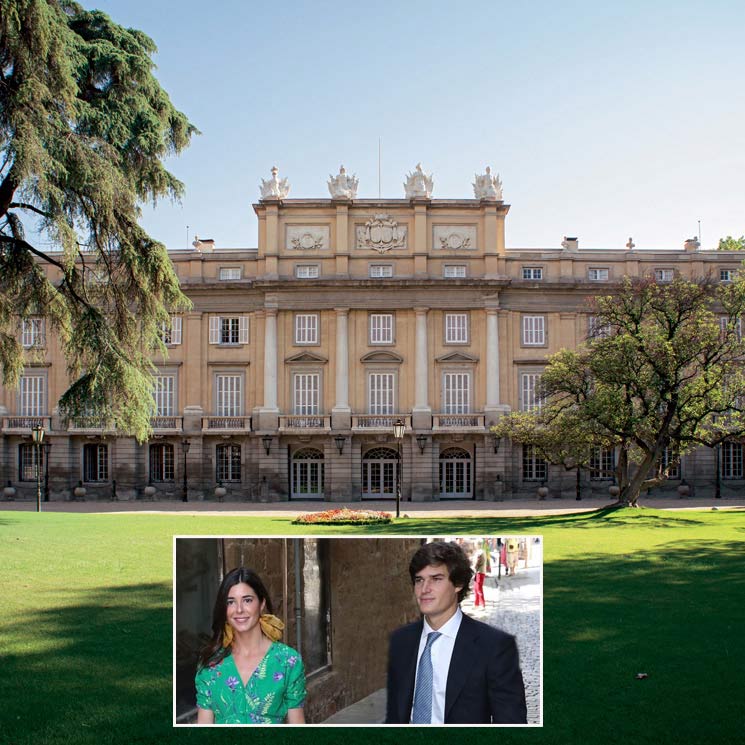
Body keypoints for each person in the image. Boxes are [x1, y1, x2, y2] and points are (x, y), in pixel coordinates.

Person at [385, 542, 527, 724]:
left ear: (458, 584)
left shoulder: (495, 646)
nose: (424, 589)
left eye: (436, 579)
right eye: (419, 580)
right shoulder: (401, 641)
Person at [195, 567, 306, 724]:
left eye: (247, 600)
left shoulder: (288, 661)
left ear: (261, 604)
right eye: (230, 602)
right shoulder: (211, 665)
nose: (239, 609)